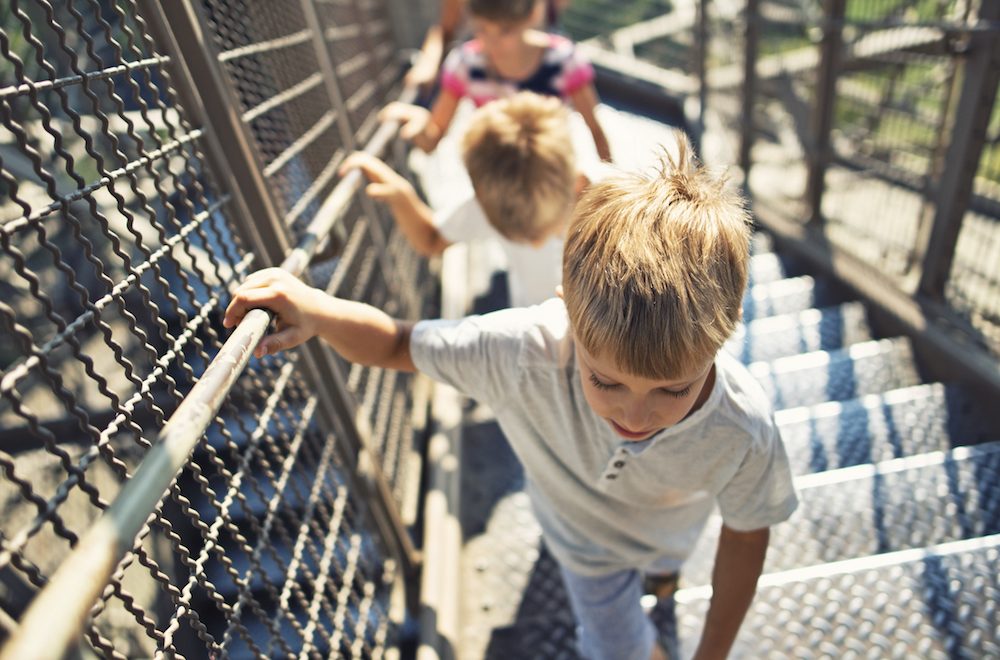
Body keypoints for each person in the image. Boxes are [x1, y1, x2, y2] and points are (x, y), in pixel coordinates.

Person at [224, 132, 798, 660]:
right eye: (605, 381)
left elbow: (746, 534)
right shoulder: (519, 354)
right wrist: (318, 311)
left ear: (726, 334)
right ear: (566, 310)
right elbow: (399, 345)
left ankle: (662, 578)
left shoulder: (742, 430)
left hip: (669, 528)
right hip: (583, 551)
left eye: (673, 388)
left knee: (663, 566)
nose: (636, 412)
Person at [341, 91, 590, 308]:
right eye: (517, 235)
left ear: (576, 184)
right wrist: (401, 195)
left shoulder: (618, 206)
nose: (533, 243)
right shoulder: (497, 203)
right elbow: (431, 240)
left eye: (538, 231)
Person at [391, 0, 612, 162]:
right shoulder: (465, 65)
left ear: (533, 14)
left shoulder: (565, 61)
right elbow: (432, 140)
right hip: (495, 176)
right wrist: (420, 126)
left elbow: (596, 132)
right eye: (482, 29)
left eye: (505, 31)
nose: (492, 43)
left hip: (552, 171)